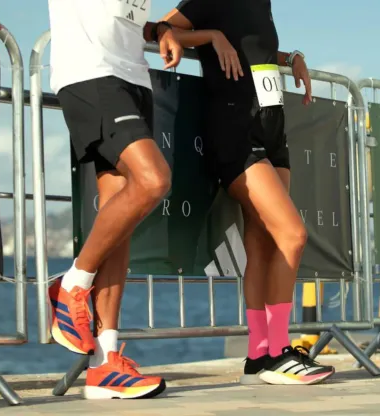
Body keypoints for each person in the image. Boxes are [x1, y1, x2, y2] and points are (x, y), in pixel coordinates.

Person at [162, 0, 335, 385]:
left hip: (273, 130)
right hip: (235, 131)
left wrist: (291, 58)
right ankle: (279, 350)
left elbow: (253, 50)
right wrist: (212, 37)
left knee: (263, 243)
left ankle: (258, 355)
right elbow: (159, 30)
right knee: (292, 235)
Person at [47, 0, 182, 400]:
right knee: (153, 180)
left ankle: (104, 363)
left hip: (133, 76)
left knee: (119, 217)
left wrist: (159, 30)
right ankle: (71, 284)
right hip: (92, 72)